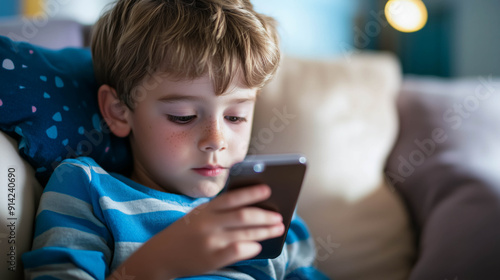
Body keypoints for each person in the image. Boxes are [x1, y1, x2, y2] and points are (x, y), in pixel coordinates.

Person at [23, 0, 327, 279]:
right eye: (183, 116)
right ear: (118, 112)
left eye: (235, 117)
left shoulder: (264, 206)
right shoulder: (87, 190)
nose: (216, 140)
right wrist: (157, 264)